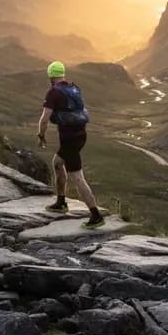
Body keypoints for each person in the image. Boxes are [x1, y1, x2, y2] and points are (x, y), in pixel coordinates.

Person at [37, 60, 104, 228]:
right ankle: (61, 202)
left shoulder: (53, 92)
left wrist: (41, 134)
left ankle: (96, 215)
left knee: (77, 177)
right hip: (80, 134)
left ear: (51, 76)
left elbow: (45, 118)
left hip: (69, 138)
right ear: (63, 74)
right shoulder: (74, 88)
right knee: (58, 163)